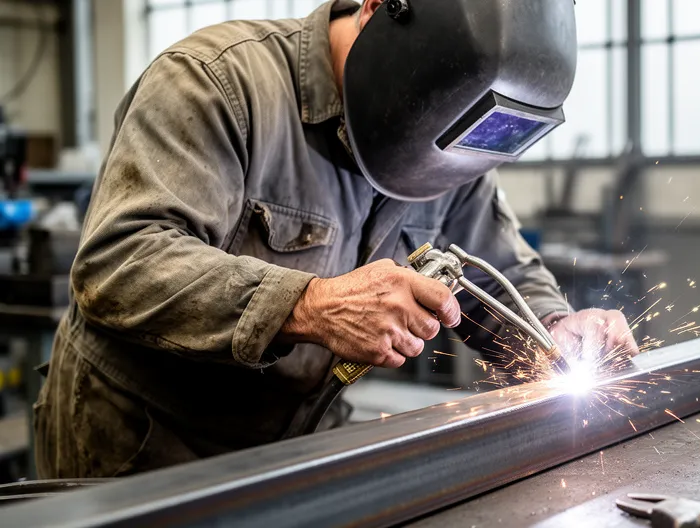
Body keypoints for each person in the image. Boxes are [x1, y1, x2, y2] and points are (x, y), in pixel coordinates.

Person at [33, 0, 640, 479]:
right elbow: (120, 262)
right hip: (148, 448)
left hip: (301, 441)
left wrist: (554, 328)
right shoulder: (215, 83)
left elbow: (495, 269)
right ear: (378, 8)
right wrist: (309, 305)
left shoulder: (458, 130)